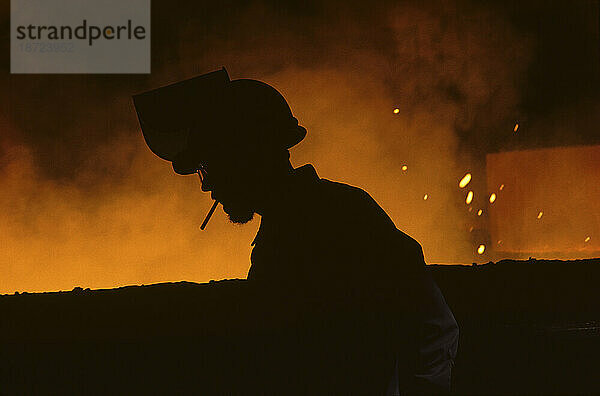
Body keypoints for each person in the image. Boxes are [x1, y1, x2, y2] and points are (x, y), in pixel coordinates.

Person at [133, 67, 459, 394]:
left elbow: (429, 325)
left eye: (210, 167)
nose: (209, 187)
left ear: (247, 156)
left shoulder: (338, 218)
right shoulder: (311, 222)